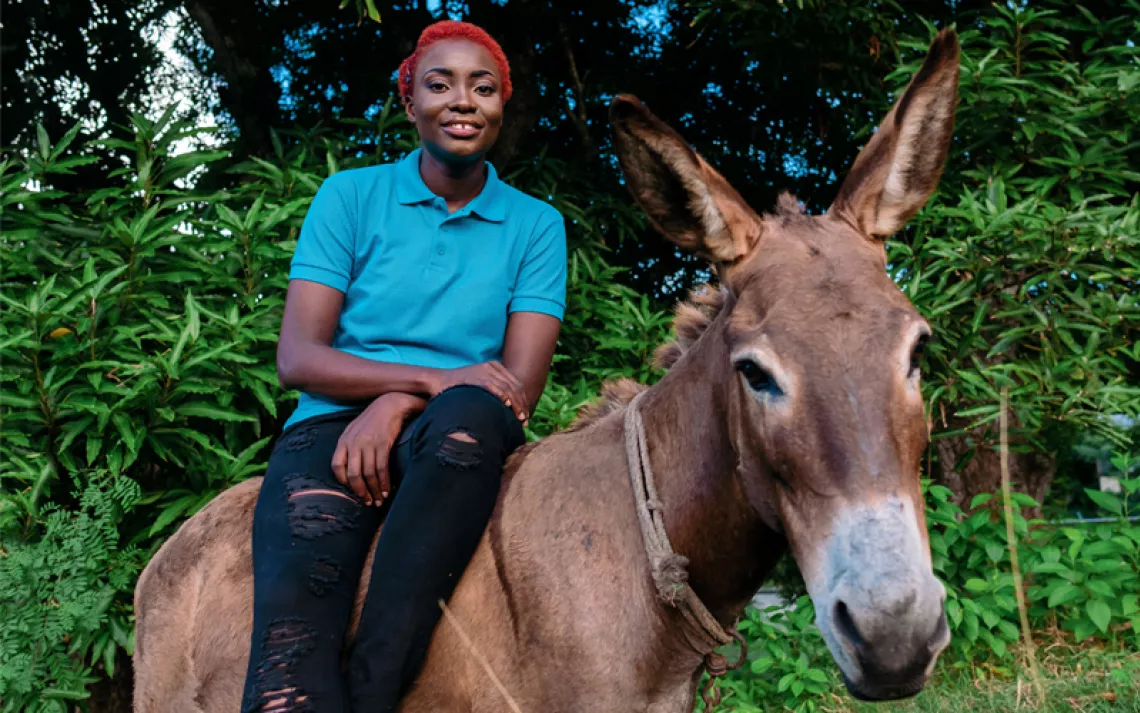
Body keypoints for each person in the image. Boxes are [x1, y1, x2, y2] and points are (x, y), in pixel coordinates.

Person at [240, 20, 567, 713]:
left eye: (483, 87)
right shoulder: (350, 198)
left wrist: (399, 404)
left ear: (502, 104)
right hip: (331, 430)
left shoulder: (537, 225)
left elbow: (517, 389)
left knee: (471, 416)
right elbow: (298, 357)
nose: (463, 101)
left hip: (460, 434)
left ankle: (373, 692)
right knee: (287, 679)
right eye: (440, 83)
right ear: (409, 101)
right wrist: (425, 380)